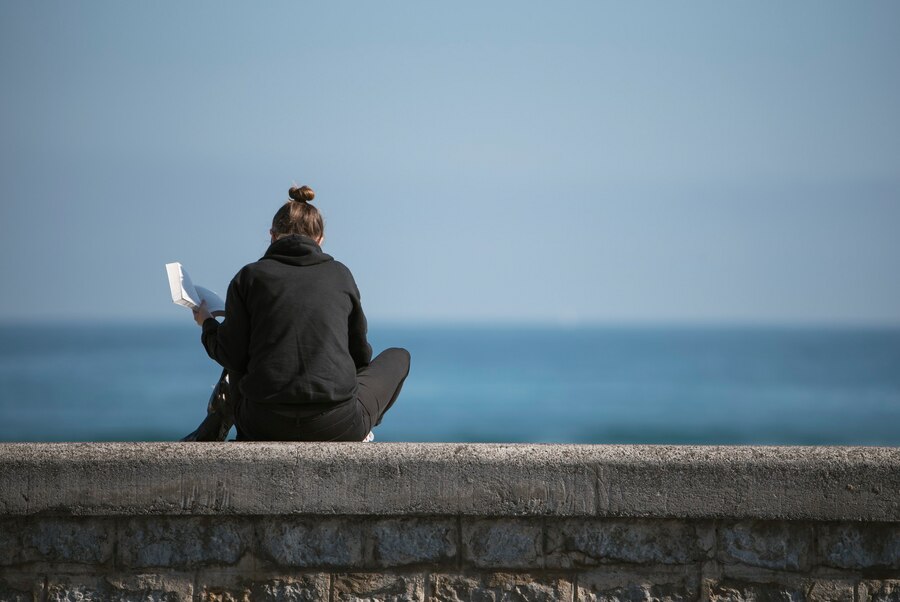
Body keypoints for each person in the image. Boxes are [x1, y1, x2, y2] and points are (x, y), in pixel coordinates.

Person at [184, 185, 410, 442]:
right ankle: (362, 426)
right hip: (337, 426)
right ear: (320, 240)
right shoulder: (340, 275)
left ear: (272, 235)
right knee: (399, 357)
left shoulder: (249, 277)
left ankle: (218, 419)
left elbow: (230, 355)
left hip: (260, 425)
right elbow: (360, 355)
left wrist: (208, 323)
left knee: (240, 355)